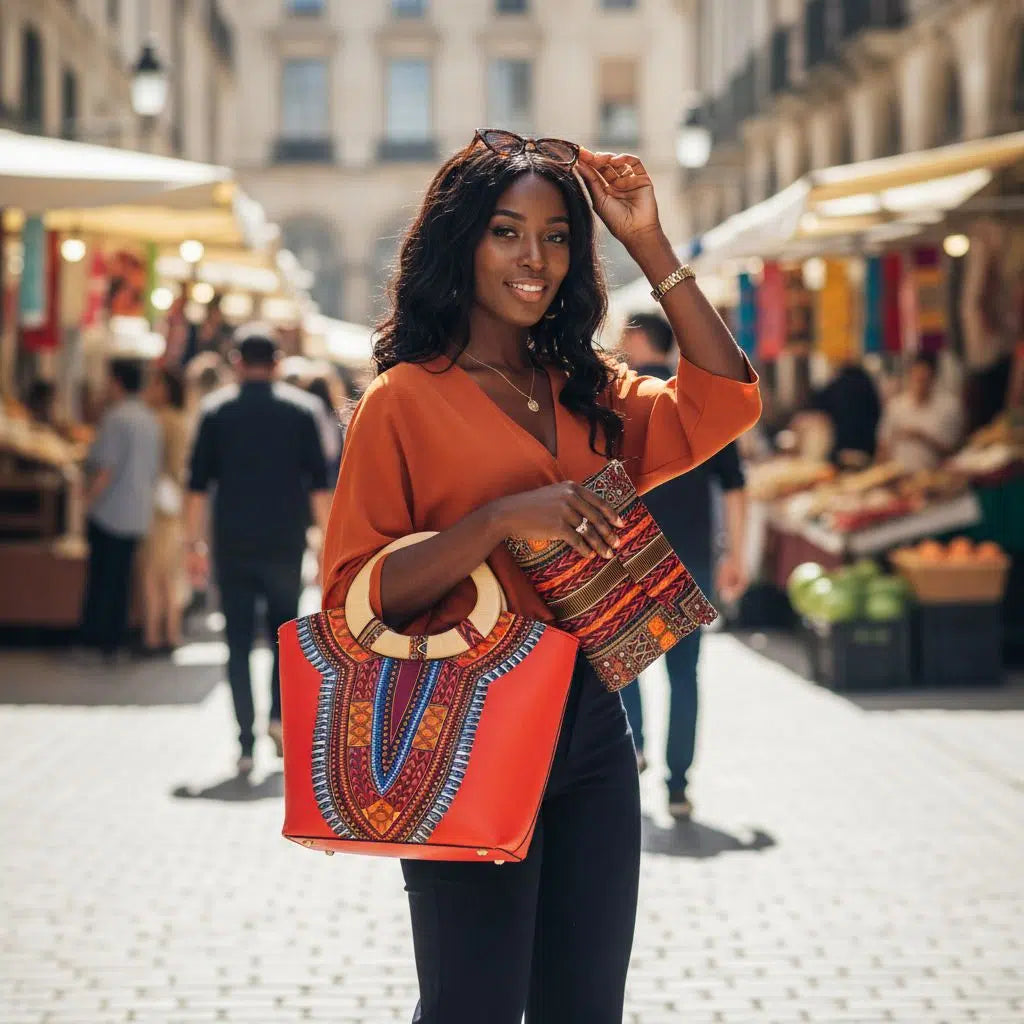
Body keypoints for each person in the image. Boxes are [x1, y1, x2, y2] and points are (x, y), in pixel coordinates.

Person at [320, 130, 761, 1023]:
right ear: (461, 242)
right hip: (461, 720)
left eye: (557, 235)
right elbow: (353, 596)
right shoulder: (401, 401)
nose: (536, 259)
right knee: (471, 1007)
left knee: (586, 1006)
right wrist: (494, 523)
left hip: (593, 725)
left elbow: (723, 402)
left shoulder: (587, 385)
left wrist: (648, 242)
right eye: (508, 232)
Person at [616, 312, 749, 819]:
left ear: (635, 339)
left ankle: (634, 748)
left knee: (624, 660)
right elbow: (735, 486)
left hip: (629, 554)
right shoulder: (700, 403)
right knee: (685, 673)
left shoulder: (619, 401)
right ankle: (678, 784)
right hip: (692, 555)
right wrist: (735, 554)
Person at [185, 329, 330, 775]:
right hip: (285, 542)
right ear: (279, 361)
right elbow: (321, 489)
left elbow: (197, 489)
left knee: (238, 643)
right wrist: (326, 546)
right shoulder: (302, 411)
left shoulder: (215, 412)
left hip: (232, 544)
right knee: (286, 638)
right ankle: (278, 721)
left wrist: (194, 545)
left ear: (235, 360)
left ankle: (245, 741)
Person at [79, 359, 162, 661]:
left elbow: (105, 470)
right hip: (138, 511)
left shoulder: (116, 418)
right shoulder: (150, 419)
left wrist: (86, 500)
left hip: (110, 512)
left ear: (116, 382)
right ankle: (115, 641)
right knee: (122, 580)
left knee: (103, 580)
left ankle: (98, 642)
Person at [139, 368, 190, 655]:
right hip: (175, 506)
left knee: (153, 574)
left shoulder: (159, 420)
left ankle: (153, 636)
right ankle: (171, 632)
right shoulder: (182, 420)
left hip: (159, 506)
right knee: (171, 573)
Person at [877, 351, 964, 472]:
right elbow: (883, 445)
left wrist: (923, 437)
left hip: (934, 476)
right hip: (900, 476)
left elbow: (955, 450)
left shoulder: (949, 407)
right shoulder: (895, 406)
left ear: (933, 378)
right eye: (917, 378)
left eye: (924, 379)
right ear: (910, 376)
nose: (920, 384)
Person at [798, 359, 882, 467]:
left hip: (842, 448)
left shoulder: (837, 385)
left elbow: (816, 404)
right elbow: (877, 413)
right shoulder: (868, 383)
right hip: (866, 448)